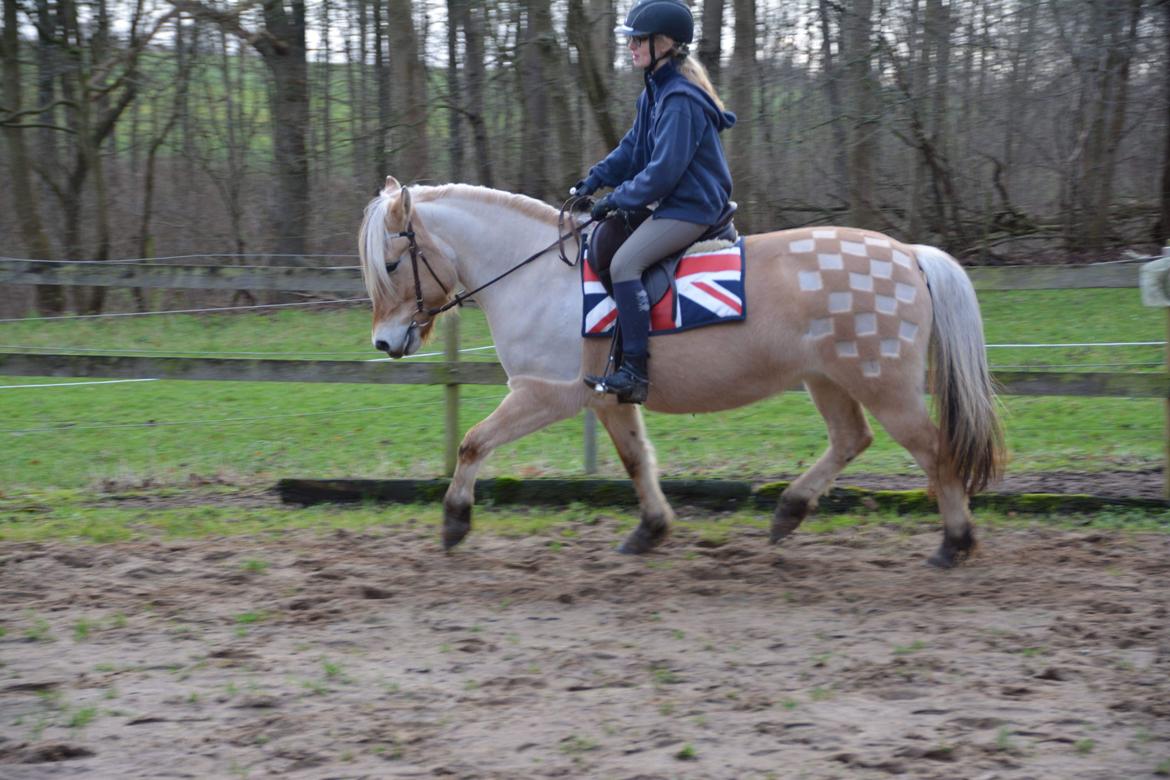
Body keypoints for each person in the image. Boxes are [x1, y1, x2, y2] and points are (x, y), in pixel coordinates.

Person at [573, 0, 736, 404]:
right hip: (671, 203)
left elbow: (663, 171)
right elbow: (632, 149)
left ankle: (634, 372)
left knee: (626, 263)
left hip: (692, 207)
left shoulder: (679, 99)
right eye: (630, 39)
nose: (630, 46)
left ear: (663, 43)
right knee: (604, 244)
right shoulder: (656, 91)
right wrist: (593, 180)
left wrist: (616, 200)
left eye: (637, 39)